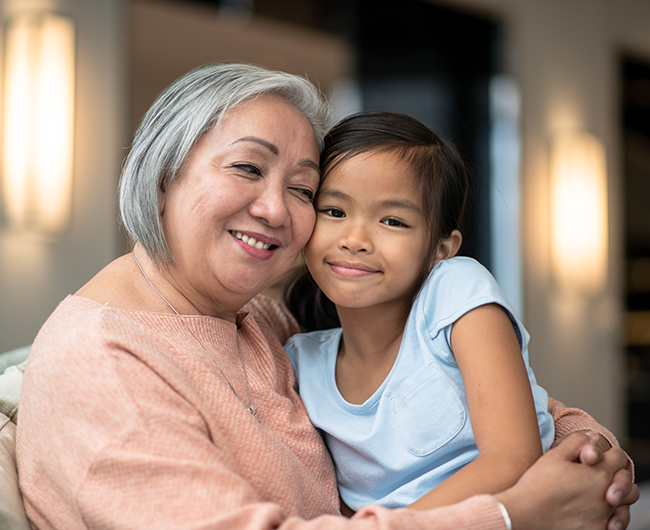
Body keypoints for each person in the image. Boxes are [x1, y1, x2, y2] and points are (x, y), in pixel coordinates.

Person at [15, 63, 636, 530]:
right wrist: (509, 513)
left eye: (304, 189)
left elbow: (460, 392)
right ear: (161, 179)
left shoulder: (262, 319)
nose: (274, 209)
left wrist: (587, 449)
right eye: (248, 168)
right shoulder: (102, 365)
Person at [284, 110, 552, 512]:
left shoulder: (456, 294)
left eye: (392, 221)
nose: (355, 239)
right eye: (335, 211)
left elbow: (513, 459)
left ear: (442, 249)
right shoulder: (300, 361)